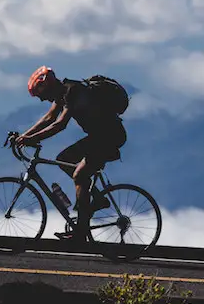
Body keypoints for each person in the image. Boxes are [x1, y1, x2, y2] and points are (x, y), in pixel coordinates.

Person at [15, 65, 127, 242]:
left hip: (109, 136)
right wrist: (25, 136)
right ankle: (96, 198)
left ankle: (81, 232)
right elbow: (49, 118)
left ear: (48, 86)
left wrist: (32, 139)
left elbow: (59, 124)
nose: (42, 100)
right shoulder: (63, 93)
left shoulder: (72, 91)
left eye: (41, 95)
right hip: (99, 136)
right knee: (63, 160)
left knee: (80, 175)